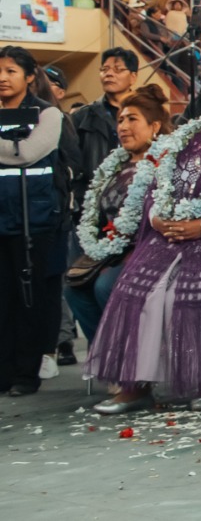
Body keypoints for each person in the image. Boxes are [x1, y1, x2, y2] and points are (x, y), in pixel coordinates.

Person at [86, 67, 201, 412]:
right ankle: (134, 386)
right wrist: (157, 215)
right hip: (169, 235)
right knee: (138, 289)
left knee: (184, 294)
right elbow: (158, 186)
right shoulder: (184, 141)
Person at [67, 85, 171, 348]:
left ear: (155, 126)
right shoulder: (114, 166)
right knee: (75, 288)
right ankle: (107, 354)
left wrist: (125, 255)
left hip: (153, 251)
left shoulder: (168, 165)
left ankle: (131, 364)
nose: (123, 126)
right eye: (121, 120)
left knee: (105, 286)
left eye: (132, 119)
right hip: (112, 252)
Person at [0, 46, 78, 396]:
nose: (2, 78)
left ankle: (25, 373)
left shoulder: (49, 115)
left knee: (33, 301)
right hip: (2, 222)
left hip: (39, 224)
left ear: (30, 76)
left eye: (11, 71)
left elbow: (29, 153)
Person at [71, 47, 139, 197]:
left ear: (133, 77)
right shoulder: (82, 117)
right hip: (94, 198)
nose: (109, 74)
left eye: (118, 70)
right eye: (104, 69)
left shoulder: (147, 114)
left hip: (135, 195)